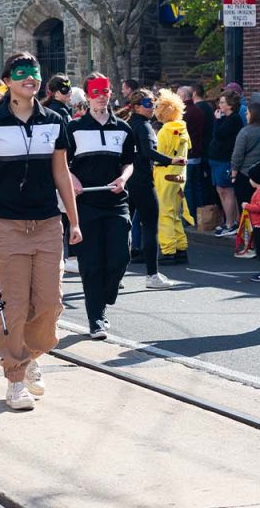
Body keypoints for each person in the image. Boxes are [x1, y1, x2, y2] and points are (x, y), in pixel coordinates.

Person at [0, 52, 81, 411]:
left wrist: (73, 221)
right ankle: (15, 378)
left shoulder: (55, 121)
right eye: (21, 73)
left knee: (49, 303)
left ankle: (31, 355)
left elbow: (61, 173)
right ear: (7, 81)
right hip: (6, 226)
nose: (29, 77)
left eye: (34, 72)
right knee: (13, 307)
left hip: (47, 224)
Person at [67, 73, 136, 338]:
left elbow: (129, 161)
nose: (101, 96)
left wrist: (123, 178)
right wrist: (72, 180)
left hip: (116, 202)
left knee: (120, 255)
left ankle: (108, 294)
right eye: (95, 92)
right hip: (86, 204)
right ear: (87, 95)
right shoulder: (74, 128)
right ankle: (96, 318)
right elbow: (62, 163)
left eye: (105, 91)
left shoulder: (123, 128)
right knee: (91, 263)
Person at [125, 89, 179, 289]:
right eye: (148, 104)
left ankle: (118, 273)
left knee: (125, 227)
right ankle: (152, 274)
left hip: (128, 180)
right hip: (142, 182)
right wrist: (170, 160)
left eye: (153, 103)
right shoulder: (145, 126)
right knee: (149, 227)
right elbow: (148, 152)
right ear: (137, 107)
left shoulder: (129, 124)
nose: (152, 107)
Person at [153, 89, 193, 264]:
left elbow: (159, 154)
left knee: (165, 213)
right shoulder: (183, 129)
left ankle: (168, 250)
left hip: (165, 175)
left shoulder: (164, 131)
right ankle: (181, 248)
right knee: (176, 213)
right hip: (179, 176)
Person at [210, 90, 244, 236]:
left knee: (227, 191)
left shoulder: (234, 119)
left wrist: (217, 120)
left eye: (223, 102)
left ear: (230, 104)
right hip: (216, 159)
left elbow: (219, 135)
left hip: (224, 159)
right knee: (220, 190)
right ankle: (230, 221)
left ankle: (231, 223)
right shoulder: (225, 118)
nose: (220, 105)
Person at [231, 101, 260, 210]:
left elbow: (237, 156)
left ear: (253, 115)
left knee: (246, 207)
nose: (246, 116)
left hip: (246, 174)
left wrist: (234, 174)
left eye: (247, 113)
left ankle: (248, 227)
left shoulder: (245, 132)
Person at [178, 85, 209, 219]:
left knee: (188, 187)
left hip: (186, 154)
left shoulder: (183, 113)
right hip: (197, 153)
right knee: (197, 186)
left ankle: (190, 215)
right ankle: (200, 214)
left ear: (183, 97)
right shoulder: (198, 111)